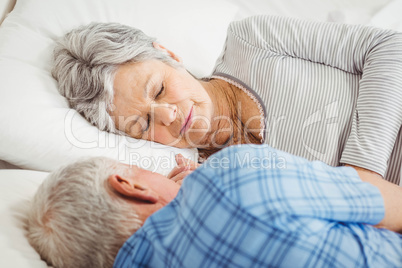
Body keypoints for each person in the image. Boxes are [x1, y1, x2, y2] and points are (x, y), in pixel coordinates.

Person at [52, 15, 402, 185]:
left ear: (167, 53)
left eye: (158, 89)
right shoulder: (208, 182)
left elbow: (390, 47)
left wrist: (362, 175)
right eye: (143, 124)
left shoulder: (252, 40)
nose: (168, 115)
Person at [27, 144, 402, 268]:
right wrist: (213, 182)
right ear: (130, 185)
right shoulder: (231, 173)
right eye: (142, 167)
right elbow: (392, 204)